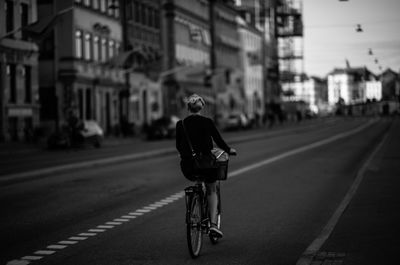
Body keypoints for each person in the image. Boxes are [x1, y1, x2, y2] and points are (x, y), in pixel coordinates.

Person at [176, 94, 236, 238]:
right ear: (202, 107)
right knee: (212, 189)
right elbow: (218, 140)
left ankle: (195, 202)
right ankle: (213, 225)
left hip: (188, 166)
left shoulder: (181, 124)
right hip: (207, 164)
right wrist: (229, 150)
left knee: (197, 178)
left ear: (188, 108)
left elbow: (179, 145)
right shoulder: (207, 122)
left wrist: (185, 155)